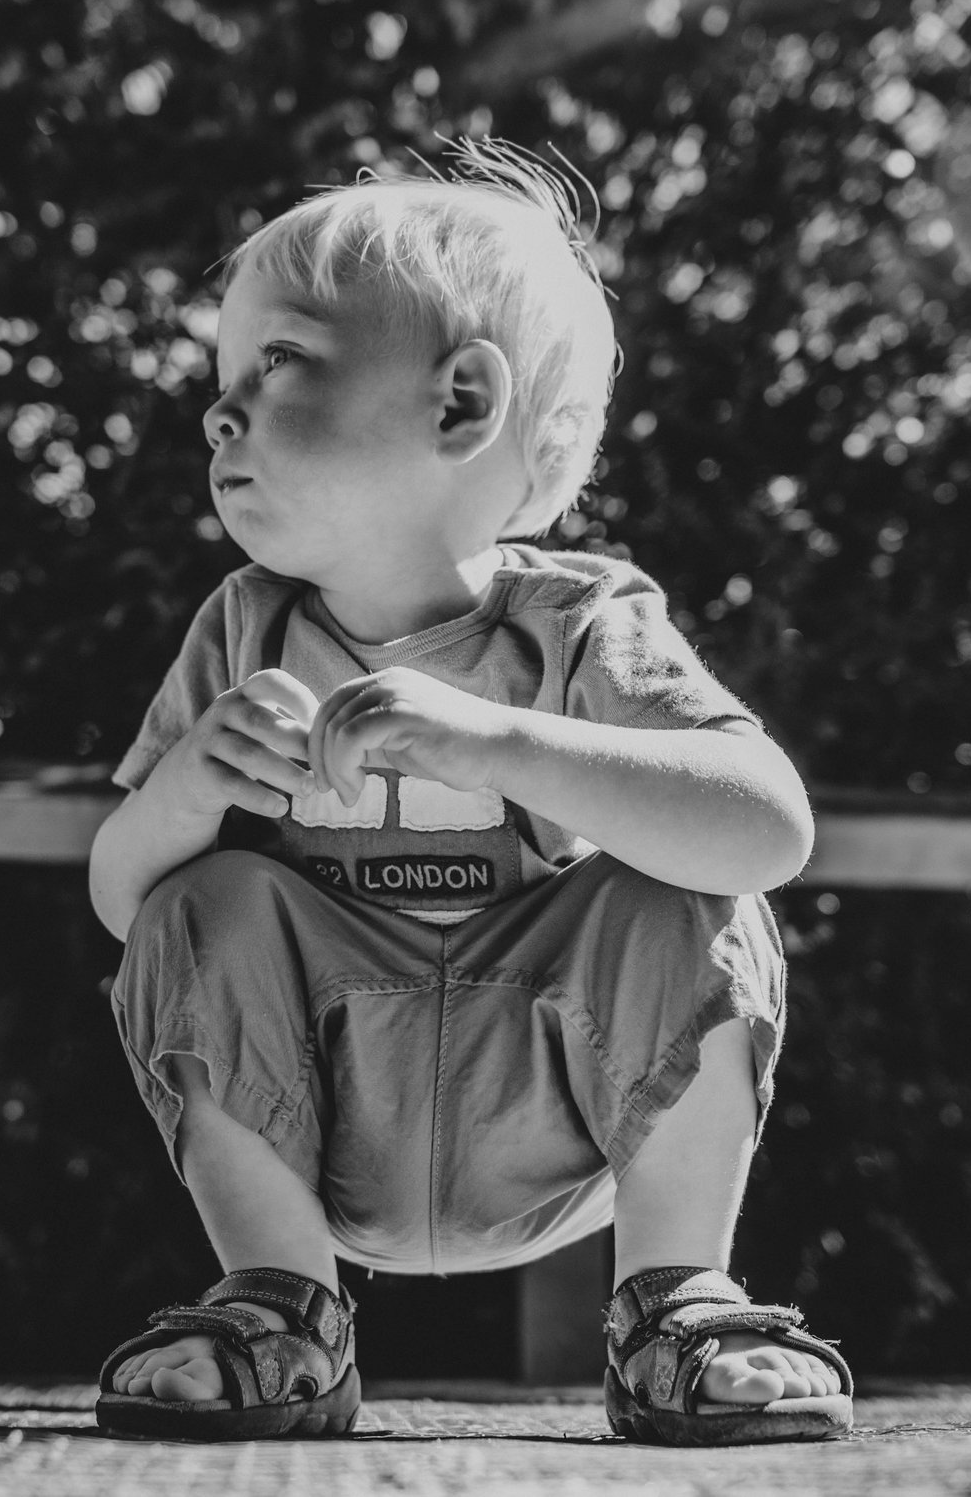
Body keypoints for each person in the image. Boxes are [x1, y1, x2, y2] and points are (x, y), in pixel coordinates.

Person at [87, 142, 851, 1446]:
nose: (220, 412)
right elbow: (123, 906)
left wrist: (499, 741)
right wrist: (185, 787)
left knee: (684, 891)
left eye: (276, 366)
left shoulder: (580, 620)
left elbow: (768, 825)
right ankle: (278, 1312)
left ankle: (680, 1305)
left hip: (552, 1099)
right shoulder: (243, 629)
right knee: (199, 893)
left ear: (460, 405)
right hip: (330, 1113)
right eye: (220, 383)